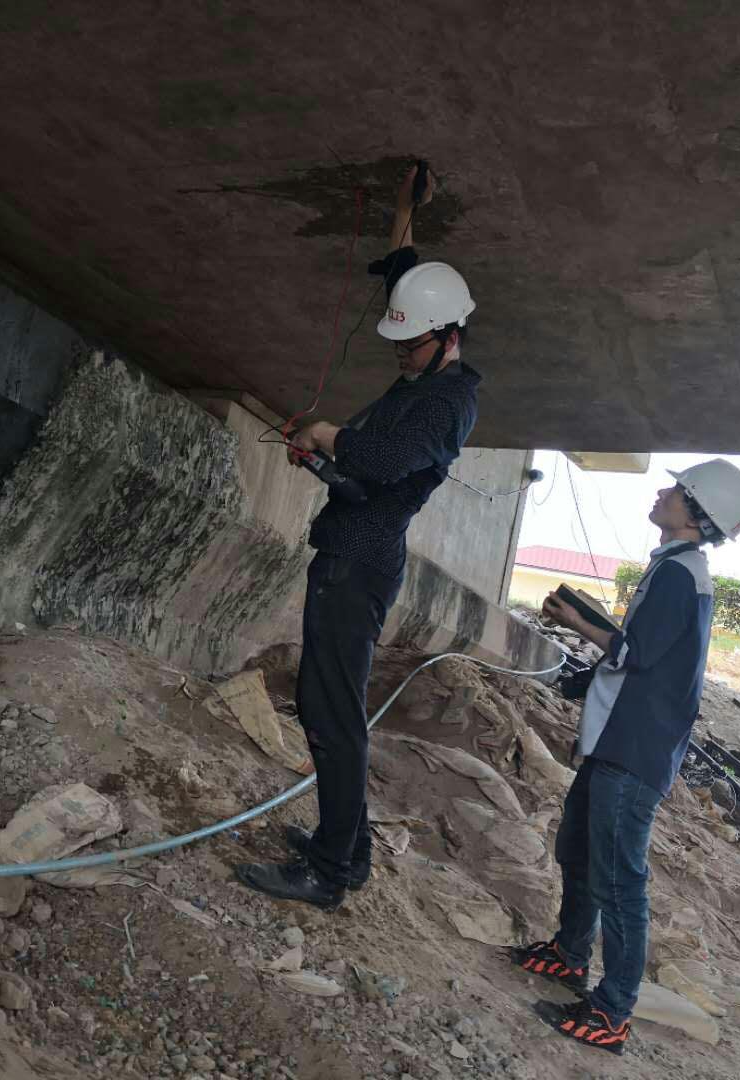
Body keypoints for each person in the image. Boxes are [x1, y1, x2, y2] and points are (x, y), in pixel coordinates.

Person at [235, 165, 481, 909]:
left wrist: (326, 433)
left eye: (409, 348)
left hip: (361, 565)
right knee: (328, 707)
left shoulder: (447, 404)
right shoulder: (426, 372)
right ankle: (350, 846)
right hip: (351, 549)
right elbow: (406, 282)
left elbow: (377, 459)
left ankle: (333, 871)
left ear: (448, 339)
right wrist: (405, 212)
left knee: (331, 714)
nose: (397, 355)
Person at [512, 459, 740, 1055]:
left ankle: (611, 1012)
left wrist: (577, 623)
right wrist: (584, 678)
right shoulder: (671, 568)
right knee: (579, 848)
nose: (662, 491)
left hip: (633, 749)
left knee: (621, 881)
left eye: (676, 489)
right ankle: (570, 954)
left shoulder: (681, 575)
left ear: (696, 513)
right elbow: (643, 661)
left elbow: (639, 652)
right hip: (615, 741)